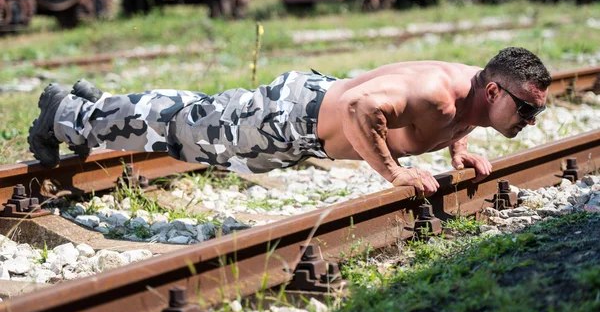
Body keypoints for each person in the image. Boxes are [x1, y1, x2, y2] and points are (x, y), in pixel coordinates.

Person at [29, 46, 551, 196]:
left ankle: (96, 108)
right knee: (188, 132)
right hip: (291, 118)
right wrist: (395, 175)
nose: (529, 119)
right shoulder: (440, 95)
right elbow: (360, 108)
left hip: (298, 116)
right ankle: (67, 114)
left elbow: (450, 123)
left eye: (536, 112)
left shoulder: (472, 101)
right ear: (492, 90)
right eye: (526, 108)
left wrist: (458, 151)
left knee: (196, 119)